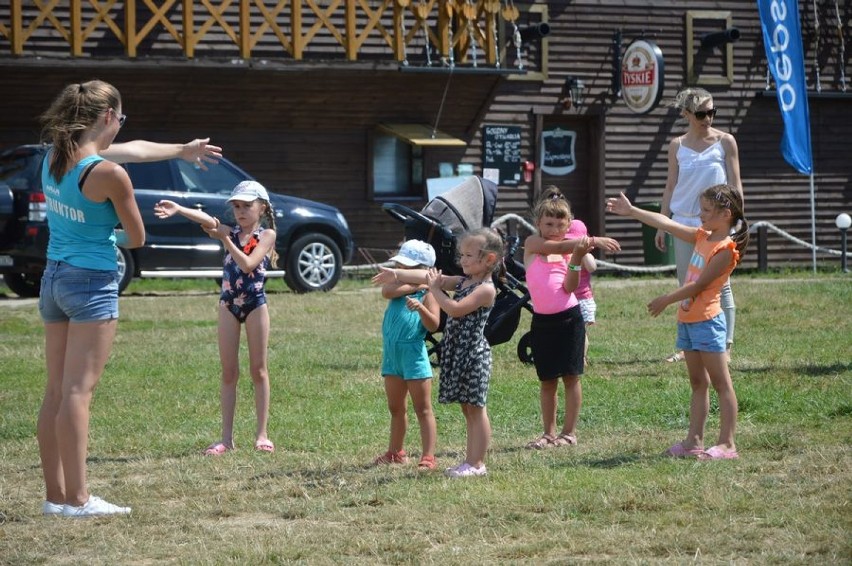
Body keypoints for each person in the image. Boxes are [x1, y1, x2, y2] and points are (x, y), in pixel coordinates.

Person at [36, 79, 222, 518]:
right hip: (91, 282)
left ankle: (56, 497)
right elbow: (136, 237)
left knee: (56, 392)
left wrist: (181, 149)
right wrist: (104, 233)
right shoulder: (108, 174)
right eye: (120, 118)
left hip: (53, 279)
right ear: (106, 118)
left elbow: (134, 148)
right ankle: (79, 501)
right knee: (79, 392)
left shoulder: (54, 157)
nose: (121, 126)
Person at [606, 184, 749, 460]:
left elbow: (700, 285)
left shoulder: (724, 249)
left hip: (708, 322)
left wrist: (666, 299)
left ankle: (727, 444)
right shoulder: (702, 237)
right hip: (688, 320)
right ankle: (693, 441)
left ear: (726, 213)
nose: (700, 215)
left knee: (721, 383)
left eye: (706, 210)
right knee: (698, 383)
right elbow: (668, 224)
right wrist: (633, 211)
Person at [154, 180, 278, 456]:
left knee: (258, 370)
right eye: (236, 207)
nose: (241, 212)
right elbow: (208, 221)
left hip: (255, 304)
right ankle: (226, 438)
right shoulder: (231, 231)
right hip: (228, 306)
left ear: (262, 208)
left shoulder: (266, 235)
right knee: (228, 372)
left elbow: (247, 264)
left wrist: (225, 238)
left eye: (247, 206)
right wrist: (179, 209)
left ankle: (262, 435)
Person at [372, 228, 503, 478]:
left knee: (477, 409)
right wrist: (397, 273)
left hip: (474, 355)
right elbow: (429, 275)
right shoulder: (464, 281)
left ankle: (476, 463)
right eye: (461, 254)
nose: (462, 260)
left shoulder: (485, 289)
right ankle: (470, 461)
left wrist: (434, 289)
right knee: (468, 409)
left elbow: (453, 309)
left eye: (468, 255)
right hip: (458, 353)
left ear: (489, 259)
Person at [658, 87, 742, 363]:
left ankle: (724, 344)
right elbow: (670, 185)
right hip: (683, 221)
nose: (708, 118)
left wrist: (737, 221)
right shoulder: (677, 145)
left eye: (712, 112)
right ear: (686, 114)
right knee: (687, 283)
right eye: (701, 113)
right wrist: (662, 223)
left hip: (717, 223)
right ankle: (688, 346)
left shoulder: (726, 141)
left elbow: (735, 185)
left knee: (722, 284)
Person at [522, 188, 598, 449]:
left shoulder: (568, 252)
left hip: (569, 318)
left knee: (571, 376)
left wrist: (576, 257)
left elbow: (569, 287)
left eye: (559, 224)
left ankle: (569, 432)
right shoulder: (533, 245)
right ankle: (548, 432)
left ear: (568, 225)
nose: (554, 228)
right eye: (548, 224)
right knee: (547, 381)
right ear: (538, 225)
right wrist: (591, 242)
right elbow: (552, 245)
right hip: (542, 322)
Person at [372, 240, 441, 470]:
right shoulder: (400, 288)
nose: (403, 271)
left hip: (413, 355)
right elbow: (386, 290)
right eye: (402, 266)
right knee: (395, 408)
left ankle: (429, 455)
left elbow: (433, 325)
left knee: (422, 408)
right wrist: (415, 285)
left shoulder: (431, 293)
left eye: (409, 268)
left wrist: (421, 305)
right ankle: (395, 452)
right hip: (393, 356)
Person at [565, 216, 597, 366]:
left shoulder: (584, 255)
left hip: (582, 298)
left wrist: (583, 253)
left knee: (581, 331)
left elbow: (592, 267)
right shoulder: (563, 253)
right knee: (569, 330)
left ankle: (581, 358)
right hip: (567, 297)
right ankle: (572, 355)